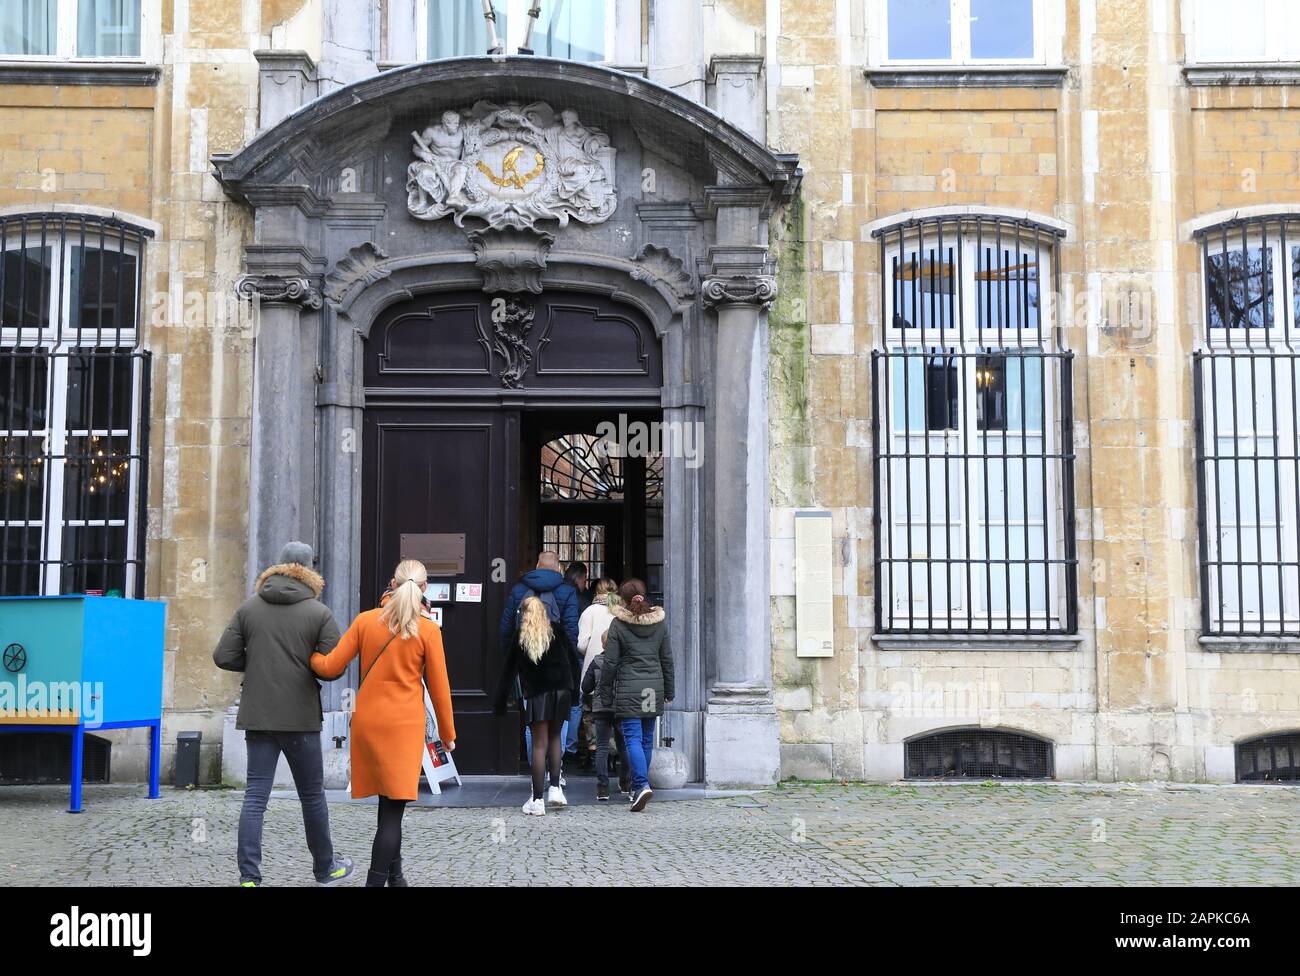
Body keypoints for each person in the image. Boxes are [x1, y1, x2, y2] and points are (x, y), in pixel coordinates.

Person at [213, 541, 354, 887]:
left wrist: (260, 663)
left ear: (277, 567)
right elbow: (333, 668)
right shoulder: (318, 613)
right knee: (312, 795)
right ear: (310, 573)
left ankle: (249, 877)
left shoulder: (250, 608)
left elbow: (223, 656)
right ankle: (326, 869)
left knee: (255, 795)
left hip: (258, 715)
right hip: (300, 717)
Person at [311, 560, 456, 887]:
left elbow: (331, 666)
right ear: (424, 589)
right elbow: (439, 688)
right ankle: (375, 881)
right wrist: (448, 735)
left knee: (388, 804)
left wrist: (304, 655)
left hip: (368, 722)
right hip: (403, 727)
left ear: (392, 582)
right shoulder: (428, 629)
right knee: (393, 811)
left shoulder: (365, 621)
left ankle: (396, 877)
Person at [494, 595, 581, 815]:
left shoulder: (520, 637)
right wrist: (575, 696)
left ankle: (537, 800)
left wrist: (500, 704)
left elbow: (507, 672)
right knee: (555, 740)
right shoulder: (558, 631)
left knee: (539, 745)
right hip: (560, 692)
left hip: (537, 695)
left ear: (522, 615)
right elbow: (573, 664)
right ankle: (555, 788)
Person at [500, 551, 581, 770]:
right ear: (558, 568)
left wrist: (511, 660)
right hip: (558, 667)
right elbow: (572, 632)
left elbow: (507, 629)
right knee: (559, 725)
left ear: (536, 565)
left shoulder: (519, 590)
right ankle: (556, 775)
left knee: (532, 724)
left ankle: (536, 772)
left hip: (529, 665)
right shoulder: (567, 591)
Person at [599, 578, 674, 812]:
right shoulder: (659, 624)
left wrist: (605, 691)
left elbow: (610, 663)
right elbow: (667, 660)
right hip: (652, 687)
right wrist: (670, 691)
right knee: (645, 739)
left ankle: (640, 784)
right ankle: (637, 787)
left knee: (632, 738)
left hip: (630, 687)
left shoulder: (618, 625)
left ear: (624, 598)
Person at [582, 629, 627, 801]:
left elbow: (586, 687)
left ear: (602, 644)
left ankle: (602, 789)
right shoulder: (625, 663)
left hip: (601, 708)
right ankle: (626, 783)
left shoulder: (596, 661)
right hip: (621, 708)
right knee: (624, 746)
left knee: (601, 747)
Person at [562, 561, 592, 759]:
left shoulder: (556, 591)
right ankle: (570, 747)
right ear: (579, 578)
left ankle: (559, 747)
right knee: (576, 703)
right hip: (577, 655)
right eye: (584, 579)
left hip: (557, 653)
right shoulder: (580, 599)